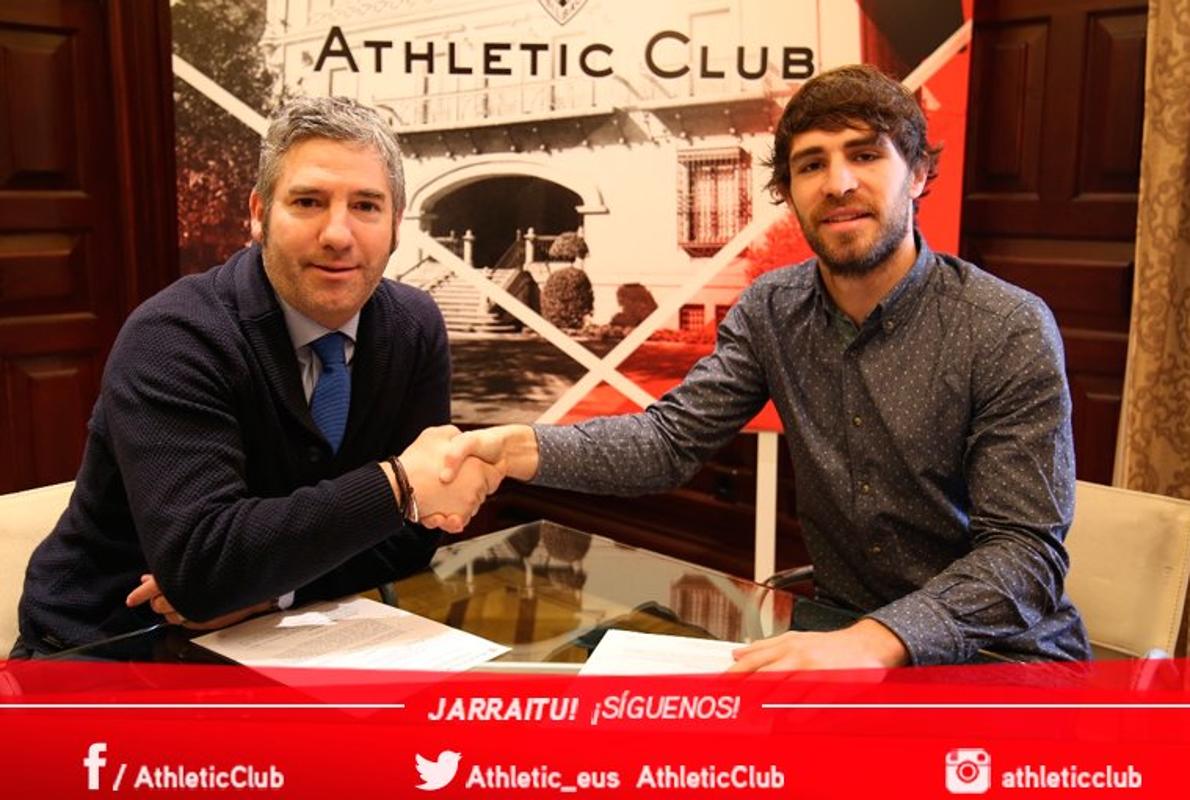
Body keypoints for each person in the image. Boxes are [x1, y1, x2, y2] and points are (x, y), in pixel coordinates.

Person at [444, 65, 1091, 670]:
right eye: (812, 164)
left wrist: (877, 641)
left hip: (1000, 663)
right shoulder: (771, 309)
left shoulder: (1005, 325)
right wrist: (515, 448)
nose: (838, 183)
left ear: (919, 172)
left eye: (865, 154)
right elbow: (668, 443)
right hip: (835, 642)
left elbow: (1026, 555)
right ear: (787, 191)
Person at [12, 97, 498, 657]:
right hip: (111, 648)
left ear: (395, 225)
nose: (338, 234)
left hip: (292, 634)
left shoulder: (414, 327)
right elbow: (201, 567)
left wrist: (278, 589)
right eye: (308, 201)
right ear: (259, 214)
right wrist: (399, 483)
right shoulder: (174, 335)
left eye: (366, 205)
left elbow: (414, 534)